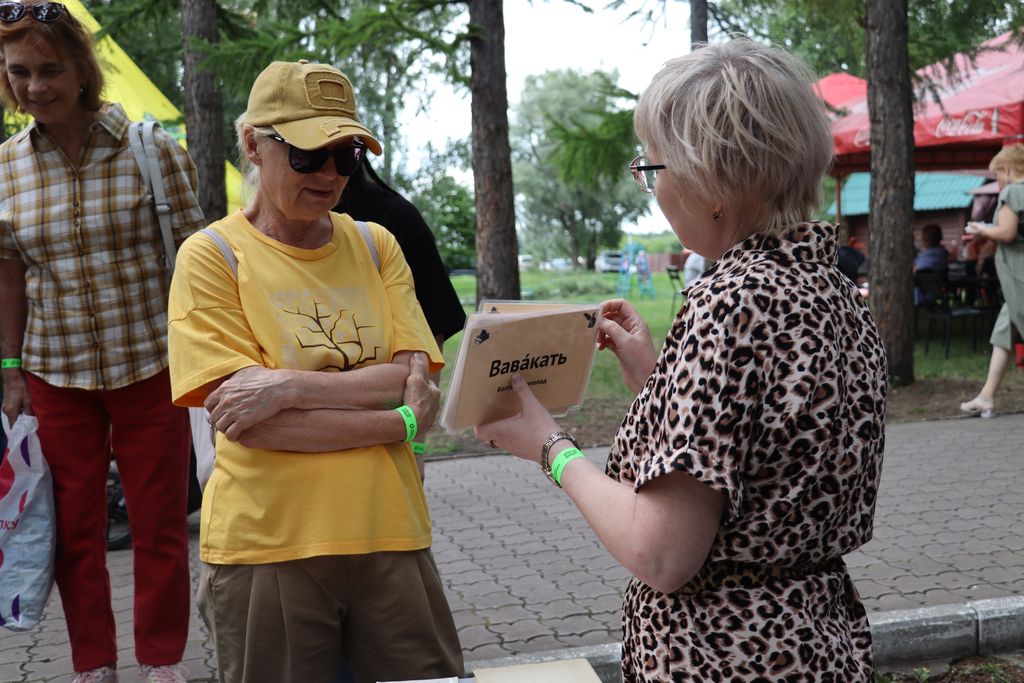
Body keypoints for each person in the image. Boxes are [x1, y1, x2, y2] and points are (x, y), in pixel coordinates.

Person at [476, 39, 886, 680]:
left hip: (725, 654)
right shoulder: (834, 291)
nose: (653, 190)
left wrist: (550, 447)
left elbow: (662, 555)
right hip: (816, 639)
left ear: (711, 183)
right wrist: (658, 377)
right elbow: (761, 450)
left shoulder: (728, 303)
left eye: (654, 169)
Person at [166, 60, 463, 683]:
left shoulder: (377, 244)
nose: (329, 174)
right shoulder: (212, 257)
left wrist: (287, 386)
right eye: (307, 154)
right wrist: (401, 423)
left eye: (346, 155)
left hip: (390, 532)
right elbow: (249, 425)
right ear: (253, 145)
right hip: (268, 545)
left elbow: (410, 379)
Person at [0, 4, 202, 682]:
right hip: (55, 372)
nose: (35, 86)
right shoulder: (6, 168)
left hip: (150, 362)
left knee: (159, 523)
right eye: (20, 71)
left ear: (82, 71)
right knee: (72, 530)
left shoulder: (151, 150)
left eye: (50, 69)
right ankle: (94, 663)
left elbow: (196, 258)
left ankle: (161, 659)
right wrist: (11, 367)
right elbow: (8, 275)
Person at [959, 143, 1024, 418]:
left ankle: (986, 397)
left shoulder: (1013, 191)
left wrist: (982, 229)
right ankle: (986, 396)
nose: (998, 180)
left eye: (997, 174)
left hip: (1018, 275)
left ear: (1008, 169)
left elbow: (1007, 233)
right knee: (1003, 335)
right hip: (1014, 279)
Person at [913, 223, 949, 305]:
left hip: (921, 294)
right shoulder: (942, 253)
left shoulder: (926, 256)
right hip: (938, 291)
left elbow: (915, 272)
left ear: (925, 239)